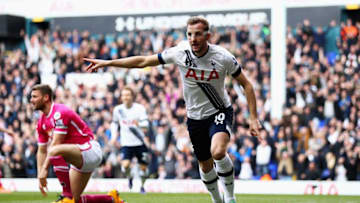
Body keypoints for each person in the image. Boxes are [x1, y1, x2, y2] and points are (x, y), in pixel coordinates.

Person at [84, 16, 261, 203]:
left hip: (219, 111)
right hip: (195, 118)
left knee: (217, 152)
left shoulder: (222, 57)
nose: (193, 38)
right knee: (205, 165)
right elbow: (144, 61)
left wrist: (253, 118)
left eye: (198, 34)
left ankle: (230, 198)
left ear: (208, 35)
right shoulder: (180, 52)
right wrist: (108, 63)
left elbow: (247, 85)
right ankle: (217, 199)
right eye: (190, 34)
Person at [30, 84, 125, 203]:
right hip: (78, 156)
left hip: (90, 150)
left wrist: (44, 169)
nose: (31, 100)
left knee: (55, 150)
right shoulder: (41, 123)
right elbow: (42, 151)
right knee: (76, 200)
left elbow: (55, 145)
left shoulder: (60, 113)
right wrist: (40, 175)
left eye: (34, 96)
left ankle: (66, 195)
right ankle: (112, 199)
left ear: (46, 97)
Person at [110, 86, 150, 193]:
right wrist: (114, 136)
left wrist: (140, 124)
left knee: (143, 169)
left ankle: (142, 186)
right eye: (123, 95)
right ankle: (130, 178)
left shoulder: (140, 108)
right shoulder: (118, 110)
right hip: (126, 143)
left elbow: (146, 125)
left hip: (139, 142)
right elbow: (114, 123)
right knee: (126, 165)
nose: (125, 97)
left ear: (133, 96)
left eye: (128, 95)